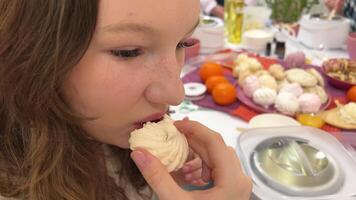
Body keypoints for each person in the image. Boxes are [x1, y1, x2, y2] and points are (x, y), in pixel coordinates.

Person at [0, 0, 252, 200]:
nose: (176, 95)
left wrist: (166, 186)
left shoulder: (112, 137)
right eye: (128, 52)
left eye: (182, 43)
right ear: (32, 51)